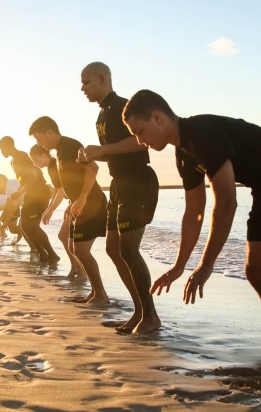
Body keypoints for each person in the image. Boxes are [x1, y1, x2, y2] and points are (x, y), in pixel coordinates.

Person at [122, 89, 261, 379]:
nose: (141, 141)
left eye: (140, 132)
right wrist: (180, 266)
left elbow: (226, 202)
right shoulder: (184, 154)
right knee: (256, 270)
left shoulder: (201, 133)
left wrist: (207, 264)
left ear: (157, 117)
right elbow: (194, 213)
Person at [80, 62, 161, 334]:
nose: (82, 88)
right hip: (118, 184)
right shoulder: (102, 115)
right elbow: (114, 152)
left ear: (103, 79)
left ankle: (149, 316)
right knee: (113, 249)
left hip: (138, 181)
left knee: (128, 249)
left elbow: (140, 141)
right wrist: (93, 153)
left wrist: (102, 150)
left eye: (87, 82)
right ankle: (139, 311)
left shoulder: (124, 108)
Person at [29, 116, 109, 304]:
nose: (39, 143)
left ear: (50, 132)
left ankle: (101, 294)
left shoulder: (70, 146)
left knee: (80, 249)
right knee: (76, 247)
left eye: (39, 138)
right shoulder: (60, 152)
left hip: (92, 202)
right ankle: (96, 292)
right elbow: (68, 184)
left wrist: (81, 199)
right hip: (79, 205)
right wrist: (72, 203)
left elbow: (93, 168)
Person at [0, 136, 60, 264]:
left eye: (1, 149)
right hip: (30, 195)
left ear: (8, 146)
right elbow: (23, 179)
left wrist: (20, 192)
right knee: (24, 226)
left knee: (32, 225)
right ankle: (43, 253)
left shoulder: (22, 157)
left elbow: (32, 177)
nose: (1, 152)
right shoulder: (13, 161)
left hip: (39, 194)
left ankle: (52, 255)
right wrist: (20, 191)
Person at [29, 144, 87, 281]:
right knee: (64, 236)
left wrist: (50, 210)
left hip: (80, 201)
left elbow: (62, 190)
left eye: (35, 160)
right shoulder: (51, 167)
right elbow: (58, 190)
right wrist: (49, 208)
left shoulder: (54, 165)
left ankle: (81, 272)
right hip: (73, 201)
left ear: (44, 155)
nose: (34, 164)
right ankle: (76, 268)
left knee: (69, 238)